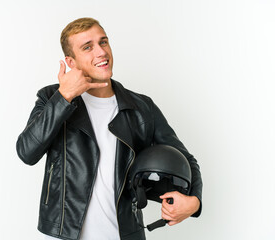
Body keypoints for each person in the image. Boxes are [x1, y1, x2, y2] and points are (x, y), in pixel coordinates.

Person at [16, 17, 202, 240]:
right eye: (88, 47)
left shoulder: (141, 108)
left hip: (124, 234)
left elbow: (186, 159)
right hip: (63, 235)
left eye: (103, 42)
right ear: (71, 62)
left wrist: (194, 201)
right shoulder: (51, 98)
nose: (101, 52)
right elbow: (27, 152)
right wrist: (64, 97)